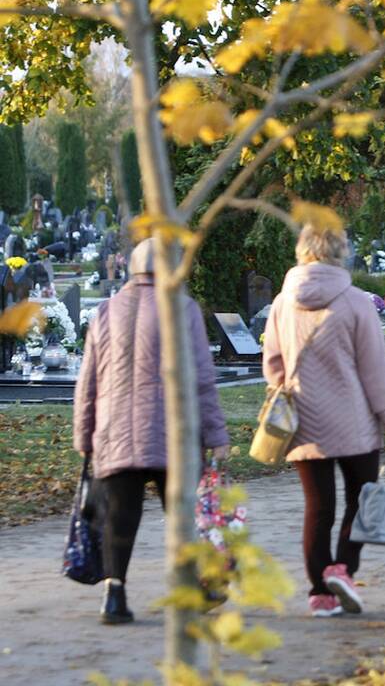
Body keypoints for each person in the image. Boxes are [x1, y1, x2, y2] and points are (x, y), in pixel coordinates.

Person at [72, 238, 230, 625]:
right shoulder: (183, 309)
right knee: (182, 515)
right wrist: (216, 435)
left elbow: (88, 381)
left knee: (120, 516)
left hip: (115, 434)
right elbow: (202, 380)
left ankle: (114, 595)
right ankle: (191, 589)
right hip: (173, 434)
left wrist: (84, 436)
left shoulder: (106, 312)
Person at [262, 225, 385, 618]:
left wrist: (288, 389)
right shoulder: (357, 301)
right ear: (340, 252)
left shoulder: (282, 302)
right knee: (362, 501)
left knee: (318, 507)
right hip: (354, 424)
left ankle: (319, 593)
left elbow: (273, 365)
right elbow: (375, 371)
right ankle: (343, 569)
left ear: (303, 250)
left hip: (302, 421)